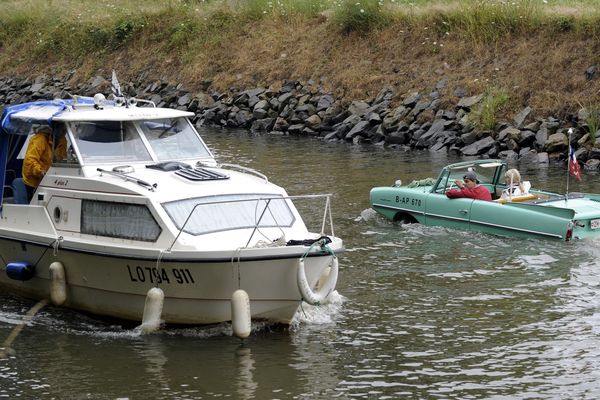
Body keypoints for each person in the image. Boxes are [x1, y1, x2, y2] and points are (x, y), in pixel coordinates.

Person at [22, 124, 66, 202]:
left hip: (51, 179)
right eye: (61, 128)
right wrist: (40, 171)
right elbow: (30, 160)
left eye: (64, 128)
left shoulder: (62, 140)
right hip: (34, 181)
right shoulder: (40, 139)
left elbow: (63, 158)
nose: (63, 131)